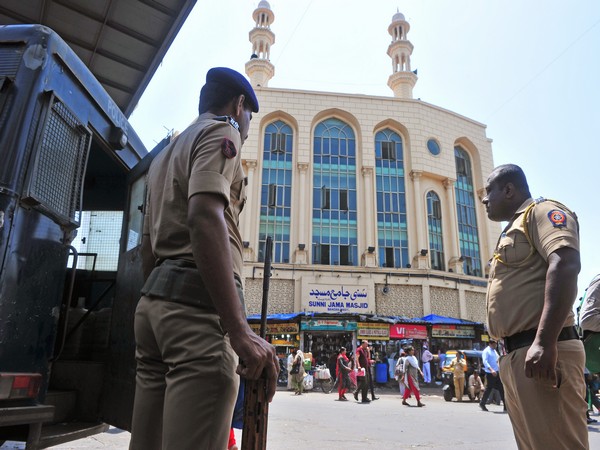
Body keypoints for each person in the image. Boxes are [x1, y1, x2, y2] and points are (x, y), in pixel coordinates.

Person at [129, 67, 279, 450]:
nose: (246, 128)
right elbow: (203, 216)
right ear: (239, 105)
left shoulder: (164, 156)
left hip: (155, 309)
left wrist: (157, 301)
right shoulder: (222, 130)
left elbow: (148, 243)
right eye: (249, 118)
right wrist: (238, 330)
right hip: (196, 314)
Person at [482, 163, 588, 449]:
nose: (484, 199)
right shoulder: (510, 230)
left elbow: (565, 263)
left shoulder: (541, 212)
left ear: (508, 190)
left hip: (542, 350)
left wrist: (544, 341)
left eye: (488, 191)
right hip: (516, 357)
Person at [479, 340, 505, 411]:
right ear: (490, 344)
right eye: (494, 344)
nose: (495, 346)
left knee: (502, 388)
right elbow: (485, 361)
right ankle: (482, 403)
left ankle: (506, 406)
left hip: (497, 372)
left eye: (496, 344)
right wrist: (491, 370)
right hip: (490, 373)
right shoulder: (486, 351)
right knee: (489, 389)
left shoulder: (494, 351)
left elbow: (497, 359)